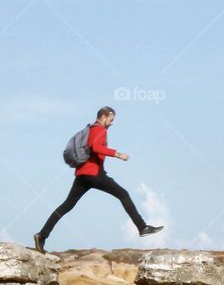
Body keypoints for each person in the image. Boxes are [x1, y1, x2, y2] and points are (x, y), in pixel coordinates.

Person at [34, 106, 163, 252]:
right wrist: (118, 154)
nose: (112, 123)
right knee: (123, 194)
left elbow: (92, 150)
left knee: (66, 206)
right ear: (104, 117)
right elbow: (95, 147)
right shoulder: (99, 129)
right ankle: (142, 227)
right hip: (94, 174)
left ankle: (42, 236)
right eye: (111, 119)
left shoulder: (90, 129)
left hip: (82, 175)